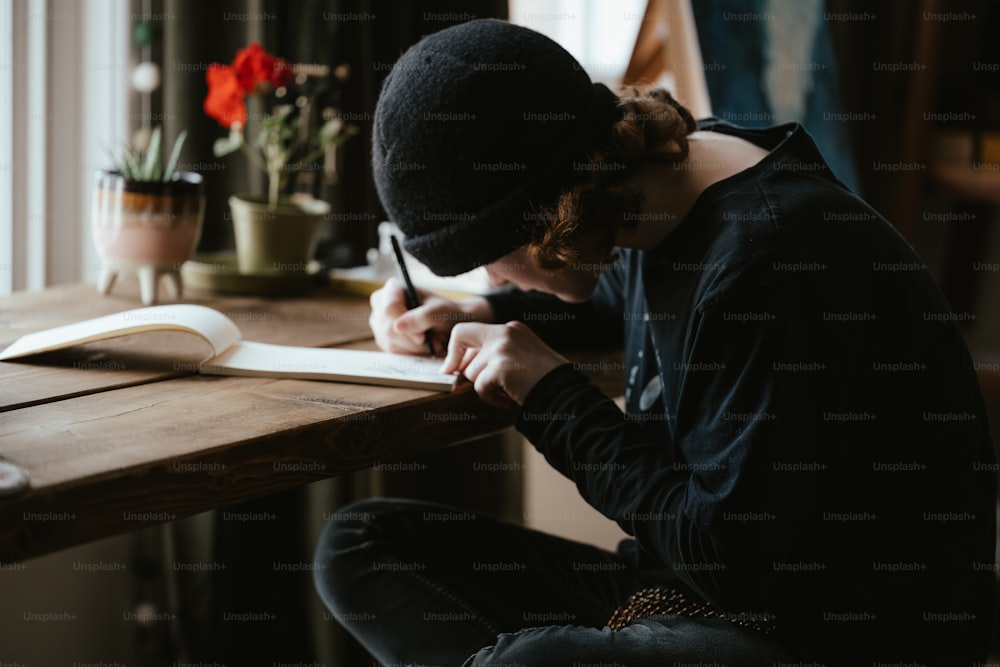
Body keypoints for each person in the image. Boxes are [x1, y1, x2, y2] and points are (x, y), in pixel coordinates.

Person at [313, 18, 996, 667]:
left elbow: (733, 561)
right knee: (357, 545)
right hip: (690, 592)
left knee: (528, 662)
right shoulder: (664, 190)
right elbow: (618, 294)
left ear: (559, 211)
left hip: (826, 628)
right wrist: (475, 309)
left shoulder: (766, 262)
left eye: (492, 254)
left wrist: (551, 397)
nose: (492, 271)